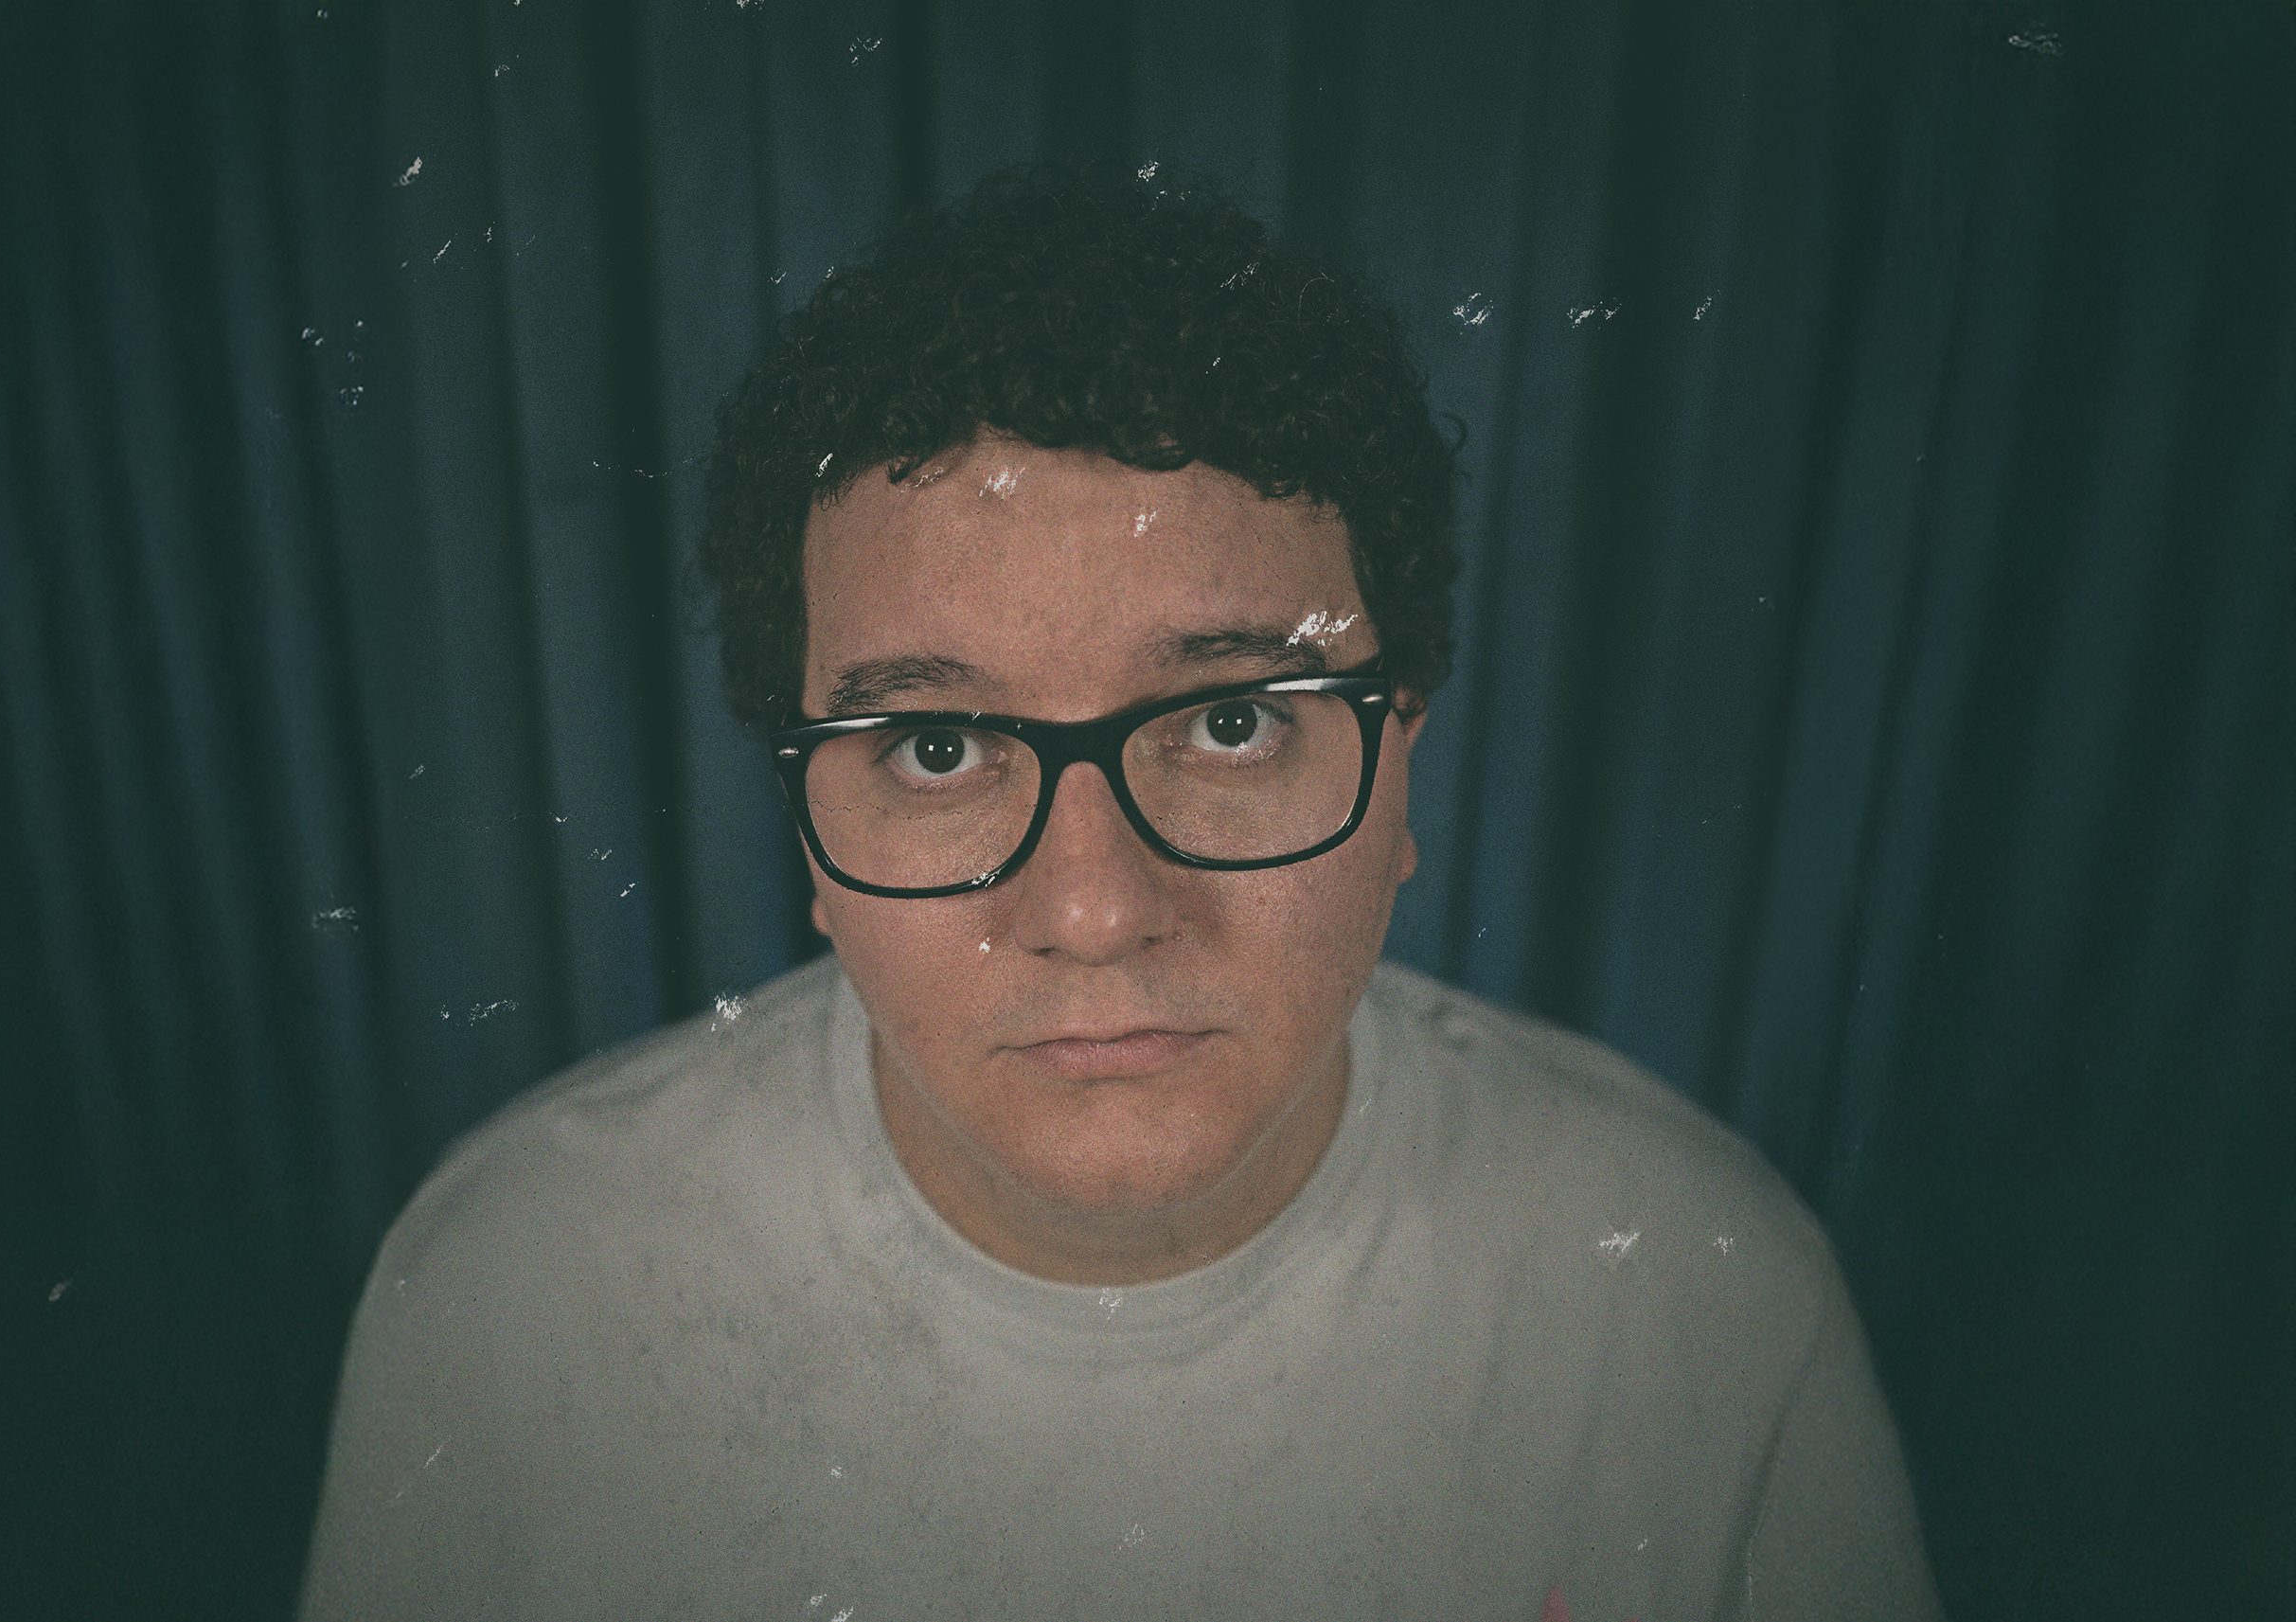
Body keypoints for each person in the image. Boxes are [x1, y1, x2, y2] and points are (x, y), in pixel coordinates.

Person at [298, 169, 1943, 1621]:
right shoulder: (510, 1308)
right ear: (804, 834)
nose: (1094, 911)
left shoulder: (1705, 1303)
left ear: (1403, 766)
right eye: (937, 746)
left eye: (1231, 724)